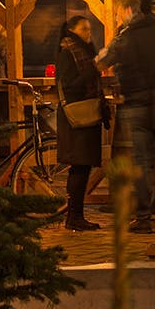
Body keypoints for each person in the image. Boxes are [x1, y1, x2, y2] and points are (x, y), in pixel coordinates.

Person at [97, 0, 155, 232]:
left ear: (127, 11)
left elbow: (103, 61)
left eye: (118, 13)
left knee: (143, 162)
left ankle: (144, 217)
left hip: (136, 103)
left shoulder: (128, 36)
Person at [54, 15, 104, 231]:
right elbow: (70, 84)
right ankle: (74, 217)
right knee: (79, 167)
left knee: (82, 166)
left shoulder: (82, 49)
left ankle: (76, 216)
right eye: (84, 29)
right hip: (76, 117)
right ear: (72, 30)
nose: (88, 33)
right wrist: (94, 68)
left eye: (89, 29)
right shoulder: (69, 51)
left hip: (85, 115)